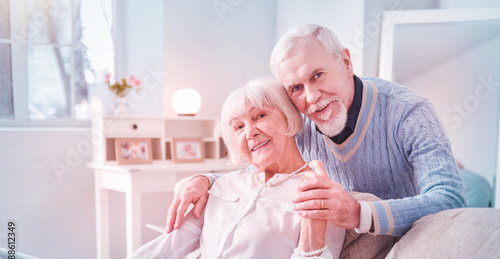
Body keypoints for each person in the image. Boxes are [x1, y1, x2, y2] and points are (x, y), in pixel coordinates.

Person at [27, 78, 345, 259]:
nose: (250, 132)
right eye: (237, 127)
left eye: (260, 116)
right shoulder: (222, 185)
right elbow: (164, 253)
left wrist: (313, 238)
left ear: (289, 119)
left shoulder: (319, 193)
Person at [167, 23, 467, 237]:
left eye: (318, 75)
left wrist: (357, 212)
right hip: (339, 253)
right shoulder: (299, 124)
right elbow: (262, 173)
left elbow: (450, 200)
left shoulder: (409, 111)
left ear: (346, 62)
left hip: (408, 247)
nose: (310, 98)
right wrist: (206, 179)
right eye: (296, 88)